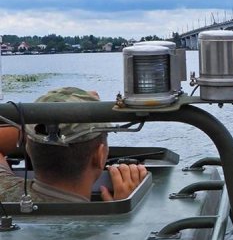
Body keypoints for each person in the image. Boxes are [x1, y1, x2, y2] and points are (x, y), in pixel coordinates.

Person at [0, 87, 147, 203]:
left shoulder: (5, 190)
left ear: (28, 149)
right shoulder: (95, 232)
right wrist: (121, 211)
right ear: (100, 155)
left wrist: (40, 122)